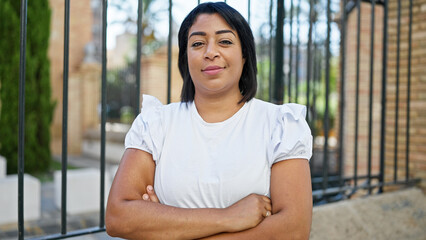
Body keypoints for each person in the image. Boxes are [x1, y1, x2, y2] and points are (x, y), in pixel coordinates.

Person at [106, 2, 313, 239]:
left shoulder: (281, 125)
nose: (210, 52)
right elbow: (118, 216)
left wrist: (166, 225)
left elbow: (293, 230)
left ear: (244, 55)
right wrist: (230, 217)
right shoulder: (155, 124)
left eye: (224, 41)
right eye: (197, 43)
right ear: (186, 57)